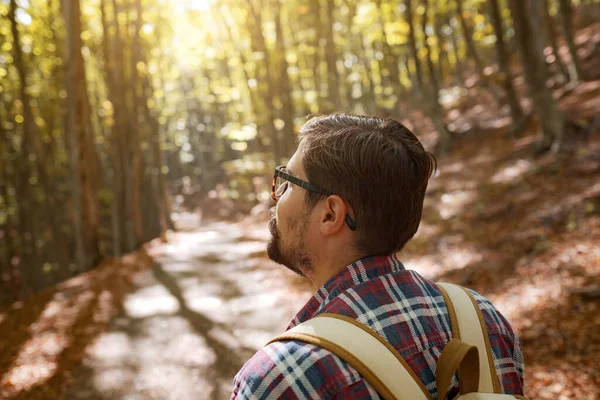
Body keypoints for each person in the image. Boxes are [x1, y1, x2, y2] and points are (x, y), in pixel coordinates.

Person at [230, 114, 524, 399]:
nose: (277, 196)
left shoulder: (280, 379)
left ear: (330, 214)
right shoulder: (485, 322)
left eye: (289, 181)